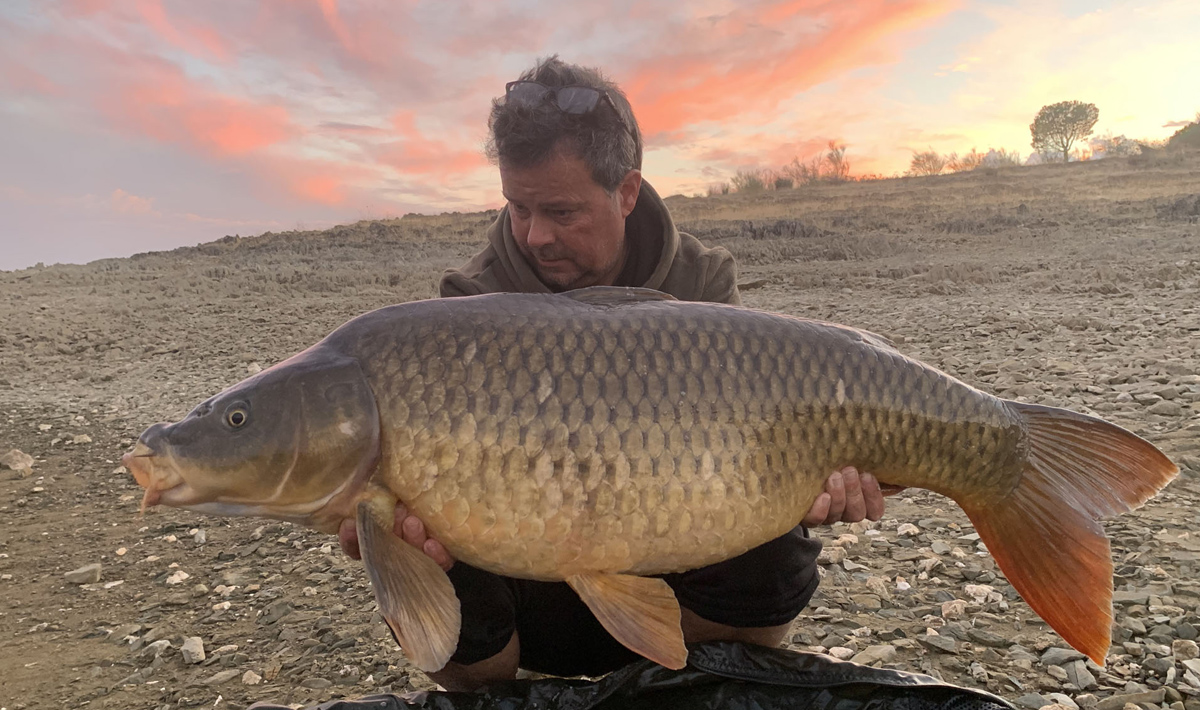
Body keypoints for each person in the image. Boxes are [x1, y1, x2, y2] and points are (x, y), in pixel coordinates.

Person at [338, 55, 886, 692]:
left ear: (626, 193)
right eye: (518, 208)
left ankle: (697, 688)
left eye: (562, 213)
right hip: (532, 582)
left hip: (676, 554)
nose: (535, 235)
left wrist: (817, 481)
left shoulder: (701, 286)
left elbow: (762, 441)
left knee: (778, 545)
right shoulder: (469, 308)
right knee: (429, 544)